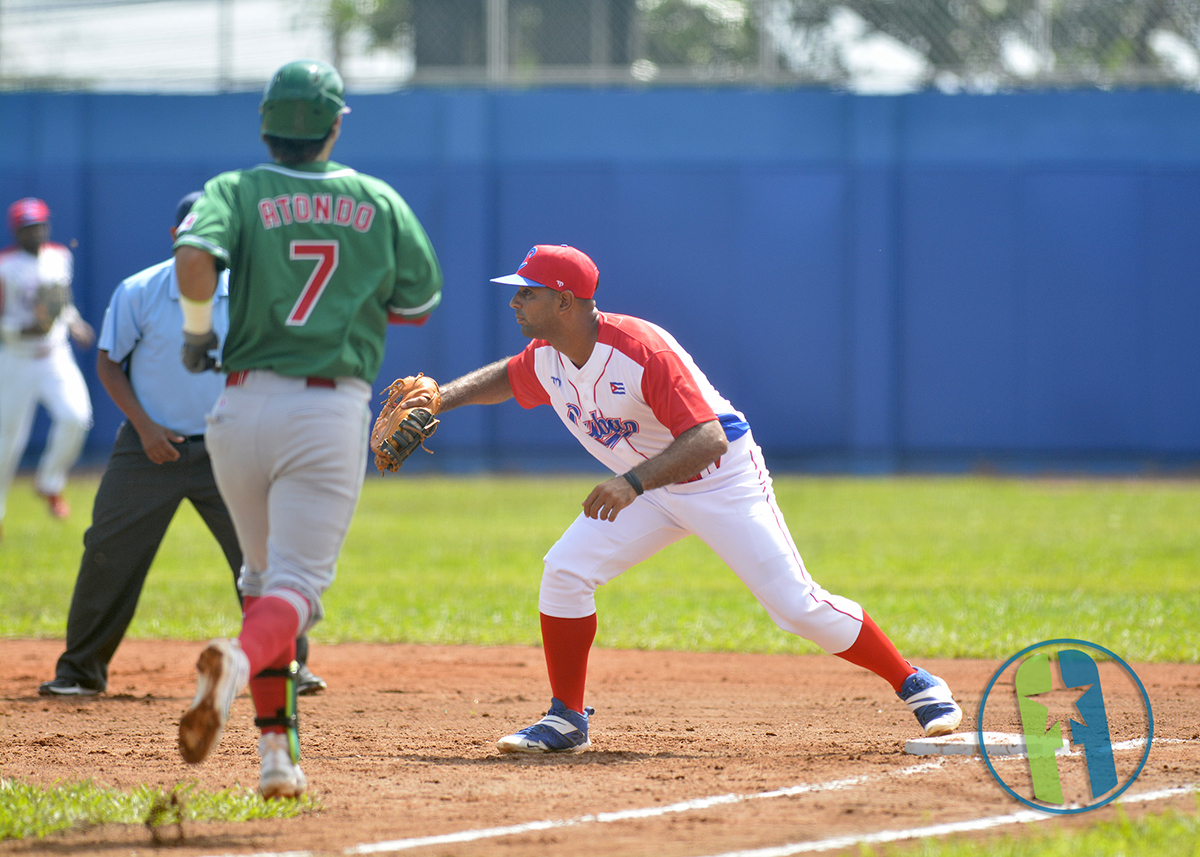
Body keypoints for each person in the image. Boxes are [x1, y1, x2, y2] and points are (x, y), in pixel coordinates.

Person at [410, 244, 962, 754]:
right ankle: (566, 718)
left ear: (564, 301)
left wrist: (630, 484)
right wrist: (440, 400)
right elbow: (509, 378)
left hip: (720, 481)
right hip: (649, 486)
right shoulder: (550, 354)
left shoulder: (639, 349)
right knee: (565, 570)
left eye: (527, 291)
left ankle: (915, 682)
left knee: (795, 606)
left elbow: (708, 438)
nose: (516, 300)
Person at [171, 60, 443, 798]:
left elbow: (194, 256)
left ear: (265, 125)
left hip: (237, 406)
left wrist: (198, 329)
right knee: (294, 589)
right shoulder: (376, 199)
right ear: (335, 125)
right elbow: (418, 302)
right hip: (325, 407)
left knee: (263, 582)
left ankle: (277, 760)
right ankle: (231, 658)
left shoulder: (235, 189)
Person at [37, 193, 325, 699]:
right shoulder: (140, 290)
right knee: (108, 551)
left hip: (232, 448)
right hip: (149, 447)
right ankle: (80, 671)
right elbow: (109, 363)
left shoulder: (253, 293)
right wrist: (145, 427)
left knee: (265, 555)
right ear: (176, 238)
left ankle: (288, 667)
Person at [0, 197, 94, 534]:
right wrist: (17, 330)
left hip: (54, 354)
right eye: (28, 227)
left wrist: (73, 322)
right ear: (16, 231)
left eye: (39, 225)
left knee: (76, 417)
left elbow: (60, 303)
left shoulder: (60, 256)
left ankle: (50, 482)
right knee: (7, 440)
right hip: (16, 357)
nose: (35, 232)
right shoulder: (5, 265)